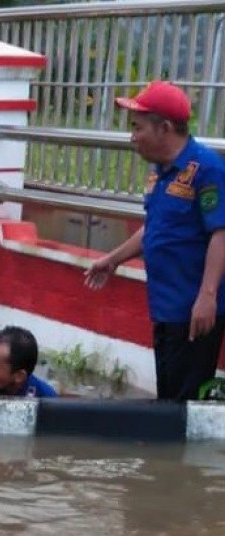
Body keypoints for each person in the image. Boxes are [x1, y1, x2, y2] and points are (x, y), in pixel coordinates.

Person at [84, 81, 225, 401]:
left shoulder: (207, 170)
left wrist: (207, 296)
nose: (132, 136)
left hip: (193, 311)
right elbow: (155, 228)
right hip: (165, 306)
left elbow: (221, 232)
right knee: (169, 399)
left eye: (138, 127)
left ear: (164, 128)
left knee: (183, 406)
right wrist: (114, 258)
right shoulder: (159, 172)